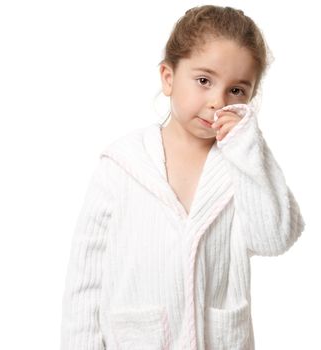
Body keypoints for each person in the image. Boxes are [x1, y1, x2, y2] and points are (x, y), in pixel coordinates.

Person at [60, 5, 305, 350]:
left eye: (237, 90)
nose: (218, 101)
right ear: (168, 77)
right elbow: (85, 283)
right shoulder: (121, 165)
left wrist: (248, 147)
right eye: (204, 81)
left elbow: (274, 238)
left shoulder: (243, 165)